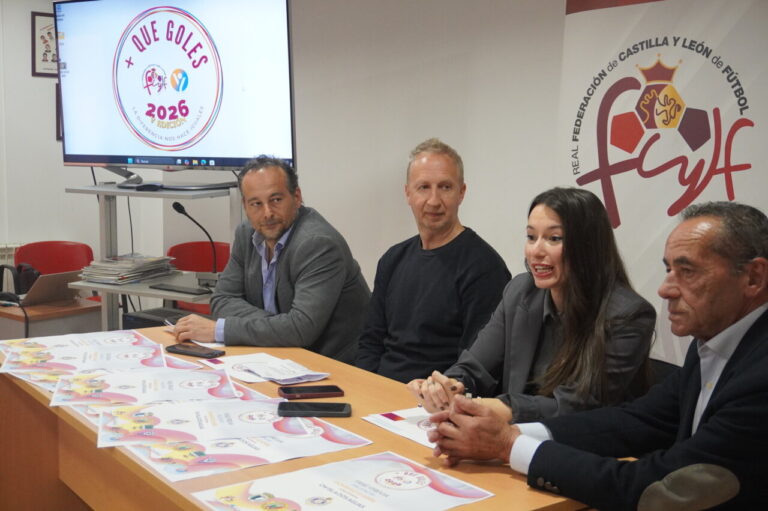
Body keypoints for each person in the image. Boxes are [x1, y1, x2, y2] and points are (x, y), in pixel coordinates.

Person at [429, 201, 768, 510]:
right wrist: (509, 434)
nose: (665, 289)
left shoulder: (759, 375)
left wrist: (508, 445)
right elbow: (638, 420)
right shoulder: (714, 341)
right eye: (668, 269)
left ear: (753, 277)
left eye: (688, 271)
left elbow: (661, 488)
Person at [408, 187, 656, 421]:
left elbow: (576, 406)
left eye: (553, 238)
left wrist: (499, 407)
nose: (536, 251)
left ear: (588, 246)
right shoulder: (520, 292)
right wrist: (446, 387)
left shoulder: (628, 315)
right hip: (513, 441)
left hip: (588, 453)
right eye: (531, 236)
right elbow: (474, 367)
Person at [172, 156, 370, 364]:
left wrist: (221, 329)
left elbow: (301, 329)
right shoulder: (246, 234)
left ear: (297, 196)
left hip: (332, 364)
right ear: (245, 206)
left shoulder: (317, 243)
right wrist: (279, 327)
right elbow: (222, 299)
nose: (267, 213)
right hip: (277, 356)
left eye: (276, 200)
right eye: (256, 203)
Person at [356, 138, 510, 383]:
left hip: (436, 404)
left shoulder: (484, 267)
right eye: (424, 187)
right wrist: (368, 390)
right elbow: (371, 343)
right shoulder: (392, 259)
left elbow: (477, 365)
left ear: (462, 193)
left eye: (445, 187)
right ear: (408, 193)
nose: (434, 200)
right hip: (382, 396)